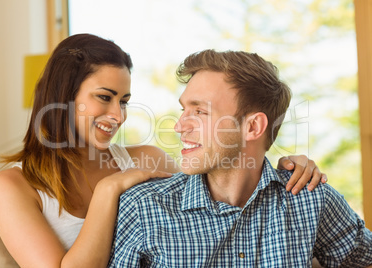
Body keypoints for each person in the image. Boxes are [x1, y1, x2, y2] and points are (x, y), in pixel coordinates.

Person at [0, 34, 324, 267]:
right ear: (63, 96)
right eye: (104, 97)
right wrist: (110, 188)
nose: (118, 115)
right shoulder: (11, 187)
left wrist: (286, 164)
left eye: (125, 101)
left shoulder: (146, 157)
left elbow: (223, 172)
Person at [108, 49, 372, 267]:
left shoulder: (311, 200)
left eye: (199, 112)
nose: (179, 126)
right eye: (183, 109)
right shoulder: (143, 208)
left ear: (253, 127)